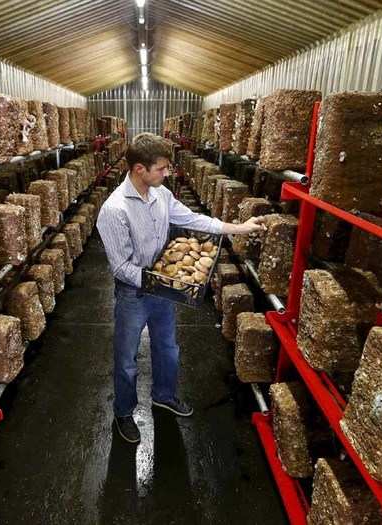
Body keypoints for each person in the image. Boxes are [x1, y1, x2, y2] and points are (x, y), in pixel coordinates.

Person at [96, 133, 266, 444]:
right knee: (126, 359)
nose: (166, 173)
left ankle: (164, 395)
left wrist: (238, 228)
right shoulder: (114, 210)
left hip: (162, 289)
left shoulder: (161, 195)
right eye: (160, 169)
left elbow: (193, 219)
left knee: (168, 349)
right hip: (133, 295)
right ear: (138, 169)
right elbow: (120, 268)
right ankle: (123, 411)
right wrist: (159, 281)